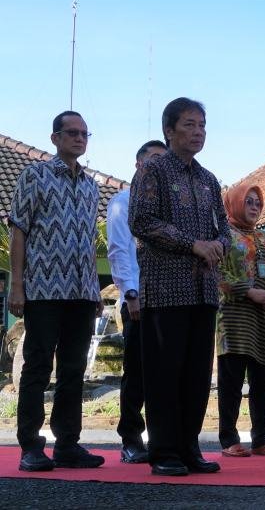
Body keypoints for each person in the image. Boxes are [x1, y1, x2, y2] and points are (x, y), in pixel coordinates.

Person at [129, 97, 230, 476]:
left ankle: (189, 448)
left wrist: (219, 244)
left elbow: (225, 229)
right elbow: (142, 221)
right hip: (165, 289)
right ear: (169, 130)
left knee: (196, 375)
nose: (198, 131)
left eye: (202, 124)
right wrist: (192, 244)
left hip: (204, 291)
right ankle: (164, 451)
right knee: (164, 373)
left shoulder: (209, 180)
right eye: (189, 124)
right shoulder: (152, 172)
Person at [9, 110, 105, 471]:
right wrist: (17, 286)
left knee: (73, 368)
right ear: (55, 138)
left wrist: (95, 290)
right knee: (37, 367)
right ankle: (31, 447)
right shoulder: (35, 175)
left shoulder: (92, 185)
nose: (79, 138)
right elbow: (18, 229)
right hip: (43, 289)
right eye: (72, 133)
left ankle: (67, 444)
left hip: (81, 292)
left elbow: (87, 243)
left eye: (84, 133)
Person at [217, 183, 265, 458]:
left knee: (262, 381)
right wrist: (248, 291)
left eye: (258, 202)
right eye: (249, 202)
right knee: (231, 382)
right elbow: (217, 274)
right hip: (235, 319)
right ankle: (229, 439)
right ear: (235, 204)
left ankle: (261, 439)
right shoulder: (224, 236)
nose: (255, 207)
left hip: (264, 318)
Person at [107, 139, 167, 464]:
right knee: (137, 372)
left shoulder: (165, 204)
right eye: (152, 160)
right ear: (138, 164)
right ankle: (130, 438)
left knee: (162, 373)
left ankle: (161, 439)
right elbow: (118, 251)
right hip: (138, 301)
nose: (158, 166)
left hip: (167, 298)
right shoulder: (122, 202)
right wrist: (131, 294)